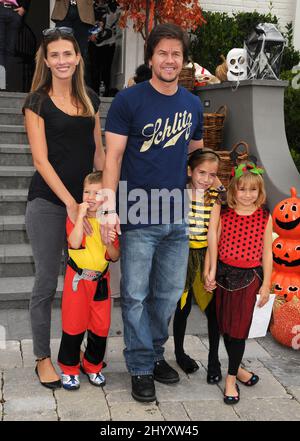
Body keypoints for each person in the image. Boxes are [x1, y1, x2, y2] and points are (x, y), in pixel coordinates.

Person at [100, 23, 204, 403]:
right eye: (163, 53)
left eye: (176, 53)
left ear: (183, 59)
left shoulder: (193, 105)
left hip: (176, 213)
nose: (170, 59)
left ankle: (156, 352)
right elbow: (112, 157)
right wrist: (110, 207)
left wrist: (203, 188)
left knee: (168, 294)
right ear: (151, 57)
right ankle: (141, 365)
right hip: (137, 213)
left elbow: (196, 154)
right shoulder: (129, 101)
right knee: (136, 295)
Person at [23, 27, 105, 390]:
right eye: (54, 55)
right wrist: (72, 204)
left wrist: (103, 201)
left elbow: (99, 154)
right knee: (45, 282)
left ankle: (82, 355)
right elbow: (41, 160)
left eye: (67, 54)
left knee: (89, 278)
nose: (61, 61)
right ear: (45, 59)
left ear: (77, 58)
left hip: (87, 206)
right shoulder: (36, 103)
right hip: (48, 204)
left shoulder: (90, 99)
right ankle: (42, 357)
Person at [206, 161, 273, 404]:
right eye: (242, 189)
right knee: (226, 326)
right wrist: (210, 271)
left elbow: (267, 252)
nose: (247, 195)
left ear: (260, 192)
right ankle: (240, 369)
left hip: (249, 280)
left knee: (239, 331)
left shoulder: (265, 216)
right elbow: (213, 242)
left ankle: (231, 378)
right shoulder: (225, 214)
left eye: (252, 190)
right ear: (234, 190)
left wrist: (266, 285)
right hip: (224, 277)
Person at [57, 171, 120, 390]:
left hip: (100, 282)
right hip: (78, 280)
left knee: (100, 327)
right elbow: (73, 244)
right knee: (73, 324)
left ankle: (93, 365)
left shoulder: (109, 220)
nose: (91, 197)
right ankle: (69, 368)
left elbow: (114, 256)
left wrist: (109, 241)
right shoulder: (75, 217)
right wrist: (79, 218)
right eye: (87, 192)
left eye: (97, 193)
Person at [173, 148, 222, 384]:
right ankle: (179, 353)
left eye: (212, 175)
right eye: (202, 172)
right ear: (190, 171)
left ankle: (214, 360)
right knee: (181, 308)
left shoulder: (214, 197)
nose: (206, 179)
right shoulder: (179, 193)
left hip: (205, 254)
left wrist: (210, 269)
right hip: (181, 253)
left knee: (213, 311)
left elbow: (213, 233)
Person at [88, 0, 119, 96]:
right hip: (93, 41)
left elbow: (116, 20)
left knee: (106, 68)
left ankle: (106, 92)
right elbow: (85, 22)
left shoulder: (113, 6)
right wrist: (90, 34)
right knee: (94, 68)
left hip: (109, 42)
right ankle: (94, 92)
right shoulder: (90, 6)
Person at [0, 0, 31, 90]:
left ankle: (4, 83)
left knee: (10, 50)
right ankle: (1, 83)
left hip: (15, 10)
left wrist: (24, 8)